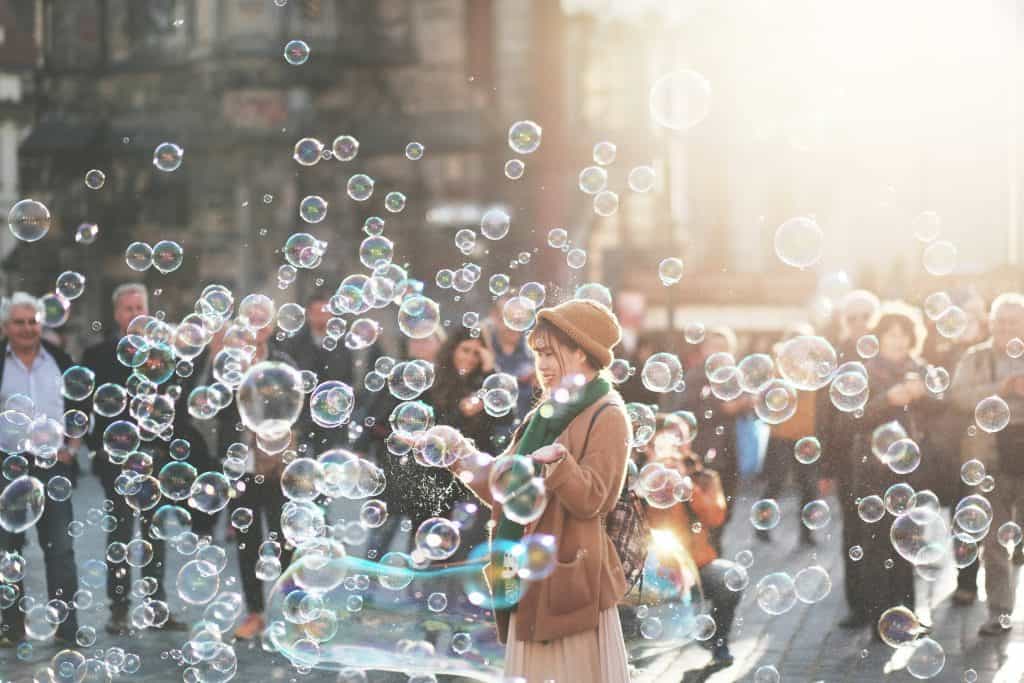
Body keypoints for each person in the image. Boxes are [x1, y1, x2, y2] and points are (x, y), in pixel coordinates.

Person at [449, 299, 631, 683]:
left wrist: (559, 463)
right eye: (538, 354)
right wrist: (457, 455)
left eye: (551, 353)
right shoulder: (544, 414)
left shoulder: (607, 413)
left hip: (570, 588)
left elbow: (595, 499)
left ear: (582, 352)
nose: (542, 365)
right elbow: (506, 483)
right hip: (526, 577)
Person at [82, 283, 194, 634]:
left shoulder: (162, 356)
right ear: (117, 314)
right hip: (116, 460)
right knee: (119, 536)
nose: (134, 314)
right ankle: (118, 610)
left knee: (154, 533)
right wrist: (99, 450)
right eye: (127, 308)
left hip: (155, 458)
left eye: (139, 307)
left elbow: (176, 405)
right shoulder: (98, 355)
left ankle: (155, 608)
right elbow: (86, 409)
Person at [844, 302, 941, 636]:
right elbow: (852, 417)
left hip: (911, 472)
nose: (898, 340)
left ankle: (907, 616)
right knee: (875, 546)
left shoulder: (921, 369)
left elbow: (945, 409)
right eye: (891, 334)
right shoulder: (865, 371)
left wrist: (923, 395)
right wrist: (888, 399)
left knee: (908, 542)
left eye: (904, 334)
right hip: (873, 471)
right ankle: (879, 620)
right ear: (880, 337)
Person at [0, 293, 81, 647]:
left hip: (52, 466)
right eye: (19, 322)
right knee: (6, 550)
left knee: (60, 547)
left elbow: (81, 408)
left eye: (32, 321)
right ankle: (9, 628)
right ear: (5, 327)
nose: (27, 328)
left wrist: (72, 447)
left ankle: (67, 626)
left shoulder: (60, 359)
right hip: (6, 465)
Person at [951, 293, 1024, 635]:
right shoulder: (975, 358)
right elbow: (959, 396)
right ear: (991, 323)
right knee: (995, 540)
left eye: (1015, 321)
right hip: (989, 458)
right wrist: (1003, 386)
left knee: (1018, 542)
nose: (1008, 327)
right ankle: (1000, 612)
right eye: (1002, 321)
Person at [222, 322, 298, 640]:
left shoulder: (285, 365)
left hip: (278, 466)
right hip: (242, 465)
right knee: (247, 542)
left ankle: (293, 613)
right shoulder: (226, 364)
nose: (258, 326)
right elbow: (209, 409)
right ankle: (255, 613)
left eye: (263, 319)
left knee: (286, 539)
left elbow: (297, 411)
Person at [646, 416, 742, 668]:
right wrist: (649, 481)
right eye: (669, 440)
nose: (678, 446)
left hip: (696, 566)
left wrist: (686, 487)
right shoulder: (636, 478)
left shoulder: (703, 477)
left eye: (682, 439)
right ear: (649, 445)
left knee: (731, 577)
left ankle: (718, 643)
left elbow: (717, 516)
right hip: (650, 569)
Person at [817, 289, 881, 626]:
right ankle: (858, 606)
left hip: (885, 457)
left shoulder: (886, 354)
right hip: (847, 461)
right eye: (851, 317)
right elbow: (824, 417)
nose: (858, 324)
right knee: (853, 534)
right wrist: (825, 466)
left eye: (864, 317)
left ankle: (884, 600)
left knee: (884, 531)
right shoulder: (836, 358)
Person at [921, 287, 988, 606]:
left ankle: (967, 582)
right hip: (943, 445)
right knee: (950, 511)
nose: (972, 321)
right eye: (966, 315)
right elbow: (930, 397)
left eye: (978, 315)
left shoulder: (989, 353)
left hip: (980, 446)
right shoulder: (938, 353)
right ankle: (954, 570)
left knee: (970, 515)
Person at [662, 326, 751, 546]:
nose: (721, 352)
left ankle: (714, 557)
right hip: (704, 453)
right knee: (705, 515)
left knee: (723, 512)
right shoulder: (695, 376)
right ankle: (708, 563)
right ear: (704, 350)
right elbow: (685, 412)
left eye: (726, 348)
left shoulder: (731, 378)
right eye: (716, 347)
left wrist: (746, 405)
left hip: (728, 452)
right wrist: (729, 408)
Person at [758, 323, 820, 547]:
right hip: (782, 434)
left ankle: (807, 534)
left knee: (809, 486)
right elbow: (768, 396)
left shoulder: (814, 369)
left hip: (806, 435)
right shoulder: (778, 367)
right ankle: (761, 527)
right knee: (776, 483)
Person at [487, 296, 537, 424]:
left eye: (519, 320)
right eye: (507, 319)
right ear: (494, 317)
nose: (513, 326)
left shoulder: (536, 352)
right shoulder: (482, 347)